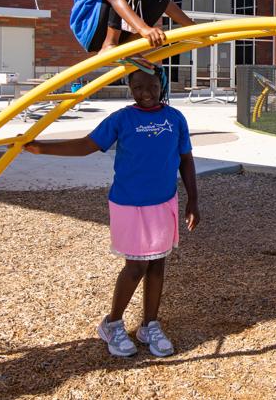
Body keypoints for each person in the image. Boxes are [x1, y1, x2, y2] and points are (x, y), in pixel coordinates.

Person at [23, 66, 200, 356]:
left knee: (157, 264)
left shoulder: (174, 118)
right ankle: (113, 323)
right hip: (130, 204)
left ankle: (149, 325)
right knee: (136, 266)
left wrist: (193, 200)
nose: (146, 93)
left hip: (163, 201)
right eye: (138, 87)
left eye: (152, 86)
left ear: (162, 84)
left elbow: (186, 159)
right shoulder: (122, 119)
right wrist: (42, 148)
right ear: (130, 88)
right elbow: (86, 146)